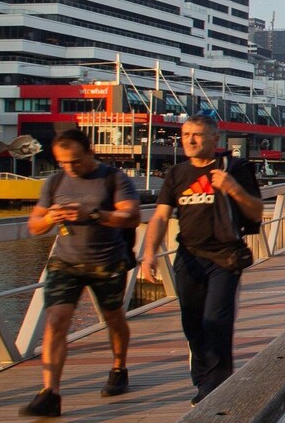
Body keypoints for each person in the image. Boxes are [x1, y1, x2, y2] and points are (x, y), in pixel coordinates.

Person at [138, 115, 263, 405]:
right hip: (189, 257)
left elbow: (256, 212)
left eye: (197, 135)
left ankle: (217, 385)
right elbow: (159, 216)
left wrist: (232, 187)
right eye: (185, 135)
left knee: (216, 319)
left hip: (225, 257)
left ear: (214, 139)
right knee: (192, 323)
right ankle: (203, 379)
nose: (190, 141)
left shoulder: (235, 169)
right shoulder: (176, 174)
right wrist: (148, 254)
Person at [19, 130, 140, 417]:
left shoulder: (113, 178)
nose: (70, 168)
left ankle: (118, 366)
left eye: (74, 161)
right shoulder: (55, 181)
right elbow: (34, 225)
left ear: (89, 151)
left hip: (106, 262)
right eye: (63, 162)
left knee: (113, 318)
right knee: (56, 322)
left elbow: (132, 216)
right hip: (66, 262)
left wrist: (94, 214)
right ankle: (51, 392)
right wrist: (50, 217)